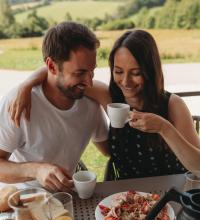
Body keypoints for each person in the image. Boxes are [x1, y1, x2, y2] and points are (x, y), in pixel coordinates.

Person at [8, 29, 200, 179]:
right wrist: (27, 84)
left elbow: (197, 166)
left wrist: (164, 128)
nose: (125, 82)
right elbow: (59, 71)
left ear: (151, 71)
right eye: (118, 71)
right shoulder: (109, 95)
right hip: (124, 196)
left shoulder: (172, 105)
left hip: (168, 192)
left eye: (135, 73)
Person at [0, 21, 109, 192]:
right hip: (21, 200)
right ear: (51, 66)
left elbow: (108, 149)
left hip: (64, 199)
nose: (89, 82)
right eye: (79, 73)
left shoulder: (90, 102)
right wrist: (36, 170)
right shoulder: (19, 102)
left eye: (92, 71)